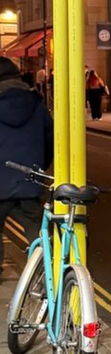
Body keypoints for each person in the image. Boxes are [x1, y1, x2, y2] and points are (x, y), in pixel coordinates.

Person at [0, 57, 53, 279]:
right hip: (29, 179)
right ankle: (45, 274)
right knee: (36, 230)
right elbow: (50, 141)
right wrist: (37, 168)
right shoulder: (37, 103)